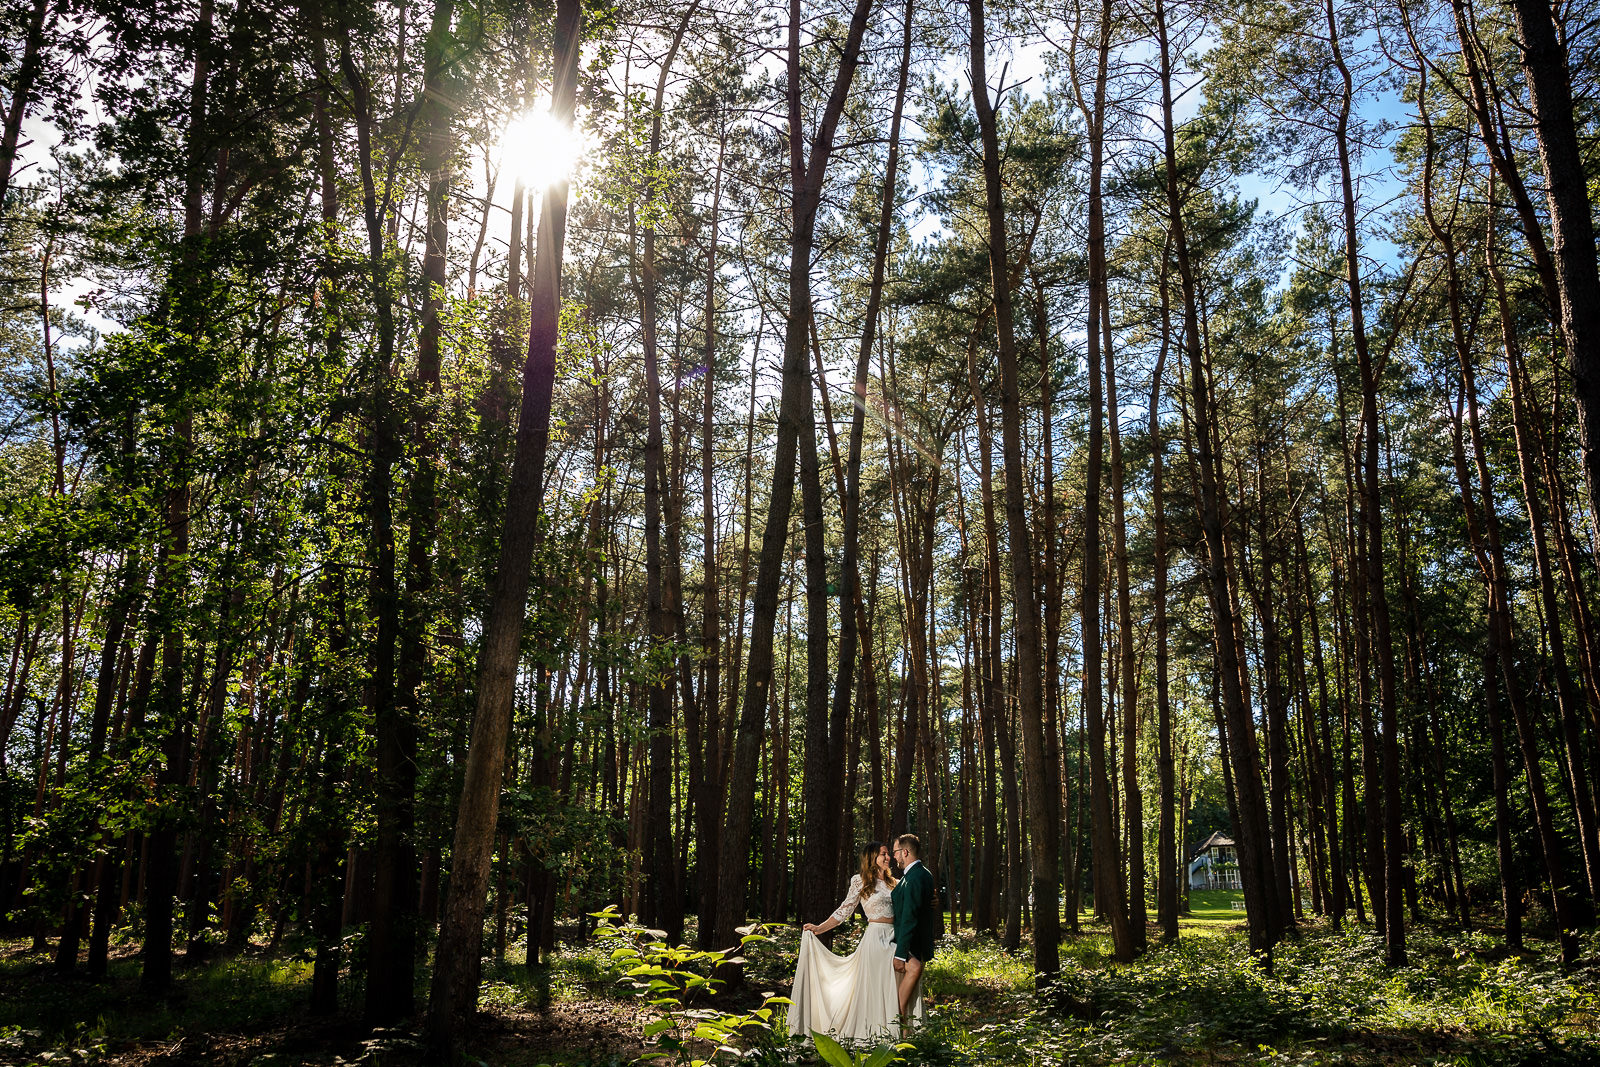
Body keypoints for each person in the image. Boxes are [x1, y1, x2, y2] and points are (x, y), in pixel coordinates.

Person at [787, 841, 912, 1045]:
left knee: (894, 982)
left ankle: (896, 1031)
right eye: (883, 854)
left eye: (888, 853)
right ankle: (873, 1032)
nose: (888, 857)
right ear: (871, 857)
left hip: (894, 937)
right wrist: (819, 928)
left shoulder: (896, 883)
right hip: (874, 939)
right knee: (876, 985)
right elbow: (845, 910)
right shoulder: (860, 881)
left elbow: (909, 907)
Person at [890, 833, 937, 1029]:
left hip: (907, 942)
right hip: (908, 939)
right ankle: (898, 1024)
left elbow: (910, 916)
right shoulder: (918, 874)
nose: (894, 857)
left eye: (895, 852)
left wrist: (901, 954)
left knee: (913, 971)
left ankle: (896, 1024)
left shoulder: (916, 876)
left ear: (905, 851)